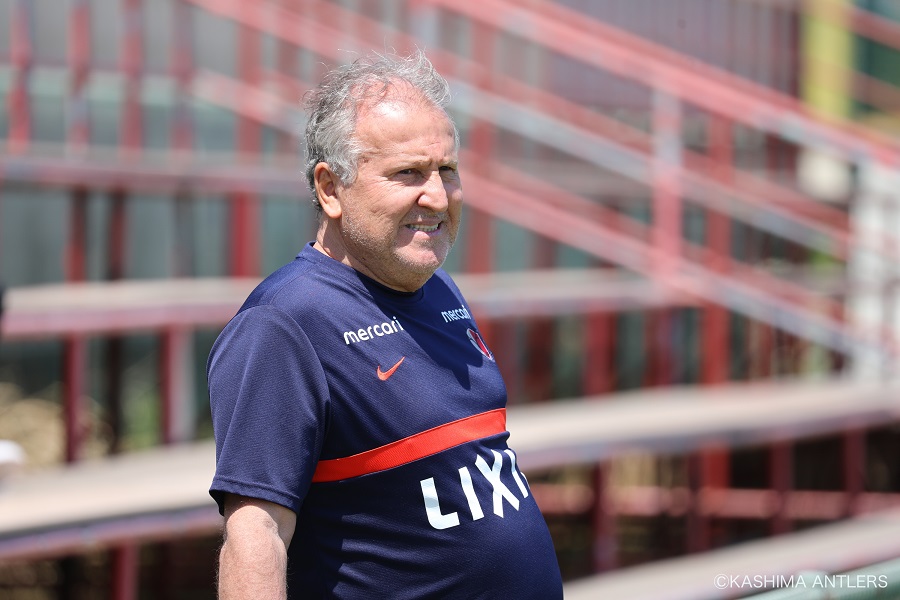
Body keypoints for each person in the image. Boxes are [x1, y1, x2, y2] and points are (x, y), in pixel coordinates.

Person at [208, 50, 563, 599]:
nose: (437, 196)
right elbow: (257, 533)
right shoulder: (284, 323)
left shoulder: (437, 287)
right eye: (408, 173)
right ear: (330, 189)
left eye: (447, 170)